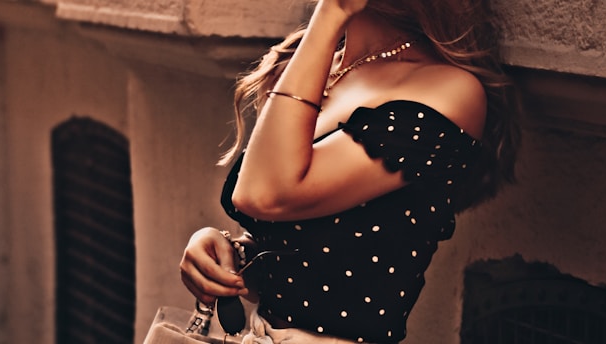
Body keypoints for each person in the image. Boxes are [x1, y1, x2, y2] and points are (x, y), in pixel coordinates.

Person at [179, 0, 521, 342]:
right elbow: (303, 257)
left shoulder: (449, 89)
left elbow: (263, 194)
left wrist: (331, 14)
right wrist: (231, 255)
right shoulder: (314, 65)